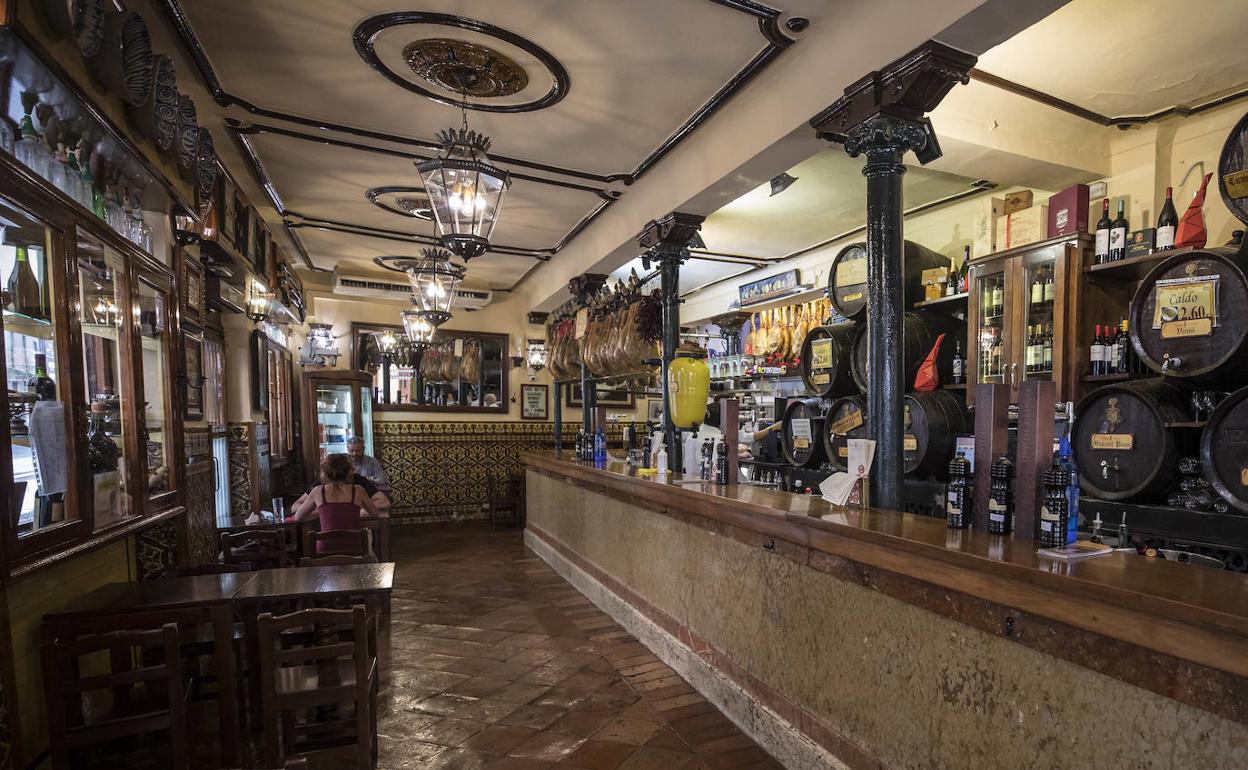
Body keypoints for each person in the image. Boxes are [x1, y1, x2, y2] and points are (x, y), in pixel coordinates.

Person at [287, 454, 384, 553]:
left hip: (325, 547)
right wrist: (359, 511)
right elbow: (375, 513)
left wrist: (320, 514)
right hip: (354, 546)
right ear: (348, 471)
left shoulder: (318, 491)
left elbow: (298, 516)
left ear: (325, 472)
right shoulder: (358, 490)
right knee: (371, 549)